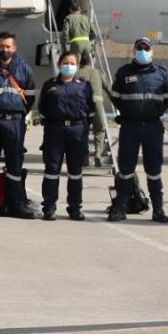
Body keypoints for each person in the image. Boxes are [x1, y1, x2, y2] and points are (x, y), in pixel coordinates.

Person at [107, 37, 168, 223]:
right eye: (139, 48)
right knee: (125, 169)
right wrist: (129, 112)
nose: (143, 51)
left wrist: (154, 112)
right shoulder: (124, 72)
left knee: (154, 170)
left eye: (146, 48)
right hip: (130, 126)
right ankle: (120, 207)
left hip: (152, 127)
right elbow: (115, 96)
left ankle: (158, 209)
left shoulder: (161, 74)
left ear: (152, 51)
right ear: (134, 50)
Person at [0, 31, 37, 219]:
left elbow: (31, 97)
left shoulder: (24, 69)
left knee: (15, 165)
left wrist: (18, 115)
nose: (5, 50)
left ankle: (16, 204)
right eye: (1, 46)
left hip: (14, 123)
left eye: (8, 47)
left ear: (14, 48)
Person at [37, 51, 96, 221]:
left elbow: (91, 111)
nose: (68, 66)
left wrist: (82, 127)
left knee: (75, 172)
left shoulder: (84, 86)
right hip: (55, 131)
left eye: (72, 63)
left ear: (77, 66)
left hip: (77, 132)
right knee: (51, 171)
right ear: (59, 65)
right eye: (65, 63)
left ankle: (75, 208)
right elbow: (42, 108)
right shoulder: (50, 85)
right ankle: (49, 207)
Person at [75, 52, 112, 166]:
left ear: (80, 64)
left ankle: (85, 157)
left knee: (82, 132)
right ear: (90, 63)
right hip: (98, 104)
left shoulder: (77, 74)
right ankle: (98, 154)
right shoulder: (98, 72)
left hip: (83, 106)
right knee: (99, 130)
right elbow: (108, 88)